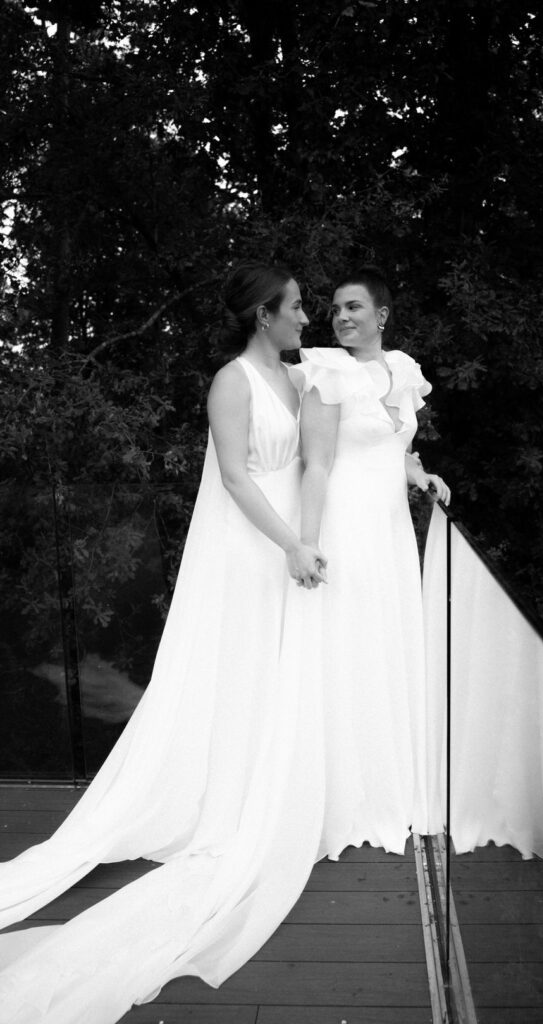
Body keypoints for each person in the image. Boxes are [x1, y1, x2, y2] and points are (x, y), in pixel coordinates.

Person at [0, 263, 329, 1022]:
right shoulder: (231, 382)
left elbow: (333, 430)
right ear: (261, 315)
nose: (306, 318)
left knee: (282, 676)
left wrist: (316, 535)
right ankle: (232, 803)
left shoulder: (296, 376)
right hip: (252, 547)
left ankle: (270, 787)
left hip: (289, 547)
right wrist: (289, 545)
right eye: (296, 307)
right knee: (244, 672)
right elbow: (241, 482)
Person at [289, 265, 451, 857]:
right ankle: (340, 794)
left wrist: (419, 473)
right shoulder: (326, 374)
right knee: (346, 645)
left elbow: (398, 446)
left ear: (381, 316)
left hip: (390, 534)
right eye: (335, 309)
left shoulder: (402, 371)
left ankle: (389, 784)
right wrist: (307, 541)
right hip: (345, 527)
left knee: (385, 645)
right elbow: (318, 464)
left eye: (353, 308)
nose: (341, 318)